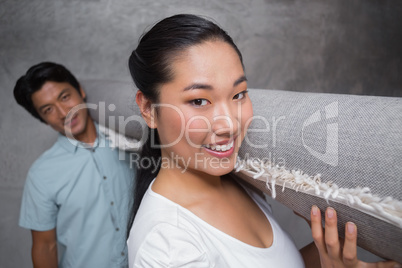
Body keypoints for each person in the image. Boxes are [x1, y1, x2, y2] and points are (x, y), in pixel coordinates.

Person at [126, 14, 399, 267]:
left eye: (238, 94)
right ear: (149, 109)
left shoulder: (240, 179)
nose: (230, 124)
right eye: (199, 101)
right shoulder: (167, 247)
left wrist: (326, 252)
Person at [14, 62, 135, 268]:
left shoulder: (130, 140)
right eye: (48, 109)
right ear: (42, 119)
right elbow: (45, 247)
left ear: (80, 90)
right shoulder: (41, 174)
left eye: (65, 97)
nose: (63, 112)